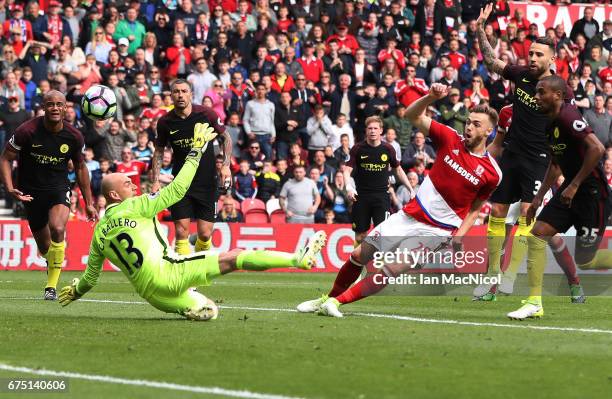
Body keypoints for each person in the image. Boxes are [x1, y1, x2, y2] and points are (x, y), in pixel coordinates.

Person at [58, 123, 327, 320]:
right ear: (114, 194)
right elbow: (177, 189)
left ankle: (193, 306)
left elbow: (91, 277)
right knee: (234, 257)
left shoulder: (100, 233)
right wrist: (196, 151)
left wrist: (76, 292)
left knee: (209, 310)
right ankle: (298, 259)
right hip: (168, 272)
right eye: (128, 183)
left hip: (153, 297)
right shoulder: (135, 206)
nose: (134, 185)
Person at [297, 84, 502, 317]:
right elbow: (412, 115)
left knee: (391, 268)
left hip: (437, 230)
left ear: (488, 132)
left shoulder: (492, 173)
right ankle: (328, 298)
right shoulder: (449, 138)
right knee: (357, 256)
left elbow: (475, 209)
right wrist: (430, 97)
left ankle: (337, 303)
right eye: (468, 122)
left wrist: (459, 236)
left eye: (476, 124)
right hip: (408, 215)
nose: (469, 127)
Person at [474, 4, 572, 301]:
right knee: (498, 213)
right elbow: (491, 62)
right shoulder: (521, 75)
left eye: (538, 55)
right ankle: (491, 278)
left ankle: (508, 276)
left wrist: (562, 167)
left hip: (539, 160)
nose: (531, 58)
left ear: (552, 59)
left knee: (527, 219)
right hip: (512, 156)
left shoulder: (560, 90)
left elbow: (565, 130)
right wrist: (480, 28)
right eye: (530, 53)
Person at [505, 76, 612, 320]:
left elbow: (597, 148)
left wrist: (574, 185)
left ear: (557, 95)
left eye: (541, 92)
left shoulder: (568, 117)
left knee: (585, 261)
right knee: (537, 234)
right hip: (568, 194)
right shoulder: (548, 123)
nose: (536, 96)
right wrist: (536, 199)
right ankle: (534, 303)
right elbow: (555, 164)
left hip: (592, 195)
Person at [0, 91, 96, 300]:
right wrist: (9, 187)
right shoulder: (27, 131)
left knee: (58, 228)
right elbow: (5, 158)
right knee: (45, 248)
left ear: (65, 108)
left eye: (59, 104)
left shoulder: (73, 136)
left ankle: (50, 287)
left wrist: (89, 203)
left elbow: (80, 168)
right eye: (50, 104)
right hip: (30, 193)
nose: (54, 108)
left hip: (58, 188)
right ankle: (52, 262)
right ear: (43, 107)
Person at [152, 79, 232, 256]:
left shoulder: (206, 114)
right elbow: (159, 151)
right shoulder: (165, 122)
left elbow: (226, 138)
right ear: (171, 95)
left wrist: (225, 166)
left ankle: (197, 256)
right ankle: (186, 280)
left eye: (184, 91)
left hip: (206, 183)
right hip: (181, 185)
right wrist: (156, 180)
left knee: (205, 234)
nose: (180, 95)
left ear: (190, 94)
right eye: (176, 92)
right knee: (181, 232)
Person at [344, 116, 414, 247]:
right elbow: (346, 170)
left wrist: (411, 189)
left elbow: (398, 170)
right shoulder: (357, 149)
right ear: (366, 131)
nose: (372, 131)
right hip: (361, 197)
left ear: (381, 131)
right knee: (360, 235)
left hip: (381, 196)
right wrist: (348, 187)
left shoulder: (388, 149)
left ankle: (379, 266)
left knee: (382, 234)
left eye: (375, 128)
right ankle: (359, 266)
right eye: (370, 128)